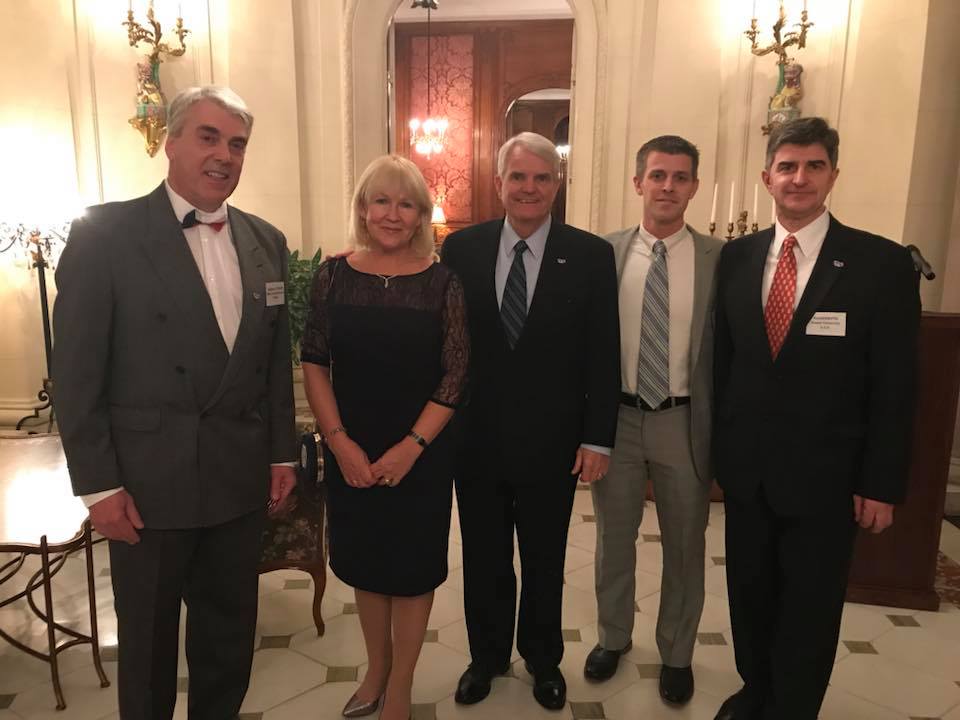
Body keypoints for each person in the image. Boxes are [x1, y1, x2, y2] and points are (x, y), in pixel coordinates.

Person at [53, 86, 298, 720]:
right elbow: (76, 372)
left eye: (237, 143)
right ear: (171, 140)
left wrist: (281, 456)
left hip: (236, 478)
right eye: (209, 137)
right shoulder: (105, 234)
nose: (224, 154)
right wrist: (98, 486)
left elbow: (272, 363)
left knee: (227, 641)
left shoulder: (266, 241)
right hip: (146, 488)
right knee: (149, 649)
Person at [712, 117, 921, 720]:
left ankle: (793, 706)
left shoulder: (880, 264)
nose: (799, 178)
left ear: (832, 174)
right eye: (787, 166)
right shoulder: (737, 257)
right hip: (748, 472)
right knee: (748, 594)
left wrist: (880, 484)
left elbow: (895, 386)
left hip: (828, 478)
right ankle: (756, 691)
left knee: (810, 603)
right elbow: (725, 363)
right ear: (766, 177)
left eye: (813, 166)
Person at [441, 132, 620, 711]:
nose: (529, 188)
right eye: (518, 177)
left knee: (545, 557)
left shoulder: (590, 255)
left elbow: (602, 352)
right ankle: (486, 657)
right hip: (477, 441)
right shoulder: (462, 249)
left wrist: (598, 437)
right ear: (499, 184)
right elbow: (446, 343)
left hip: (555, 443)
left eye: (542, 178)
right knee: (485, 556)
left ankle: (543, 660)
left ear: (557, 185)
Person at [300, 154, 469, 720]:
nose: (392, 214)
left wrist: (411, 448)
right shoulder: (333, 275)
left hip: (420, 450)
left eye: (406, 203)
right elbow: (315, 361)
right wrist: (338, 442)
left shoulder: (443, 282)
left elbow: (455, 373)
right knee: (367, 563)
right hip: (353, 445)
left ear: (421, 214)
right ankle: (375, 670)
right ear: (363, 209)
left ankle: (401, 685)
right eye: (381, 201)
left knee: (413, 567)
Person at [586, 135, 721, 706]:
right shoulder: (603, 253)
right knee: (613, 538)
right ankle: (613, 638)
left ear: (694, 186)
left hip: (683, 420)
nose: (668, 186)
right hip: (617, 417)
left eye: (681, 177)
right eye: (658, 175)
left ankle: (676, 652)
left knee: (686, 544)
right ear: (638, 182)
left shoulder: (722, 258)